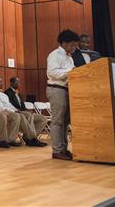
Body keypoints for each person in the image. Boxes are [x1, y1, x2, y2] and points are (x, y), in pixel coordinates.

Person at [47, 29, 79, 160]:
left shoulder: (69, 57)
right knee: (57, 121)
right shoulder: (55, 55)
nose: (74, 47)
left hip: (66, 90)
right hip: (56, 89)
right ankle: (57, 150)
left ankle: (64, 149)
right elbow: (53, 73)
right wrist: (70, 71)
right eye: (72, 44)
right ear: (64, 43)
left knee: (65, 122)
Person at [0, 77, 47, 147]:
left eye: (2, 81)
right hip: (6, 112)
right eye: (0, 82)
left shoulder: (4, 94)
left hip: (15, 110)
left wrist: (18, 110)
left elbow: (10, 105)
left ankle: (29, 138)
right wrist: (15, 111)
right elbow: (0, 106)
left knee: (40, 118)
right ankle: (32, 138)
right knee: (22, 115)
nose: (2, 83)